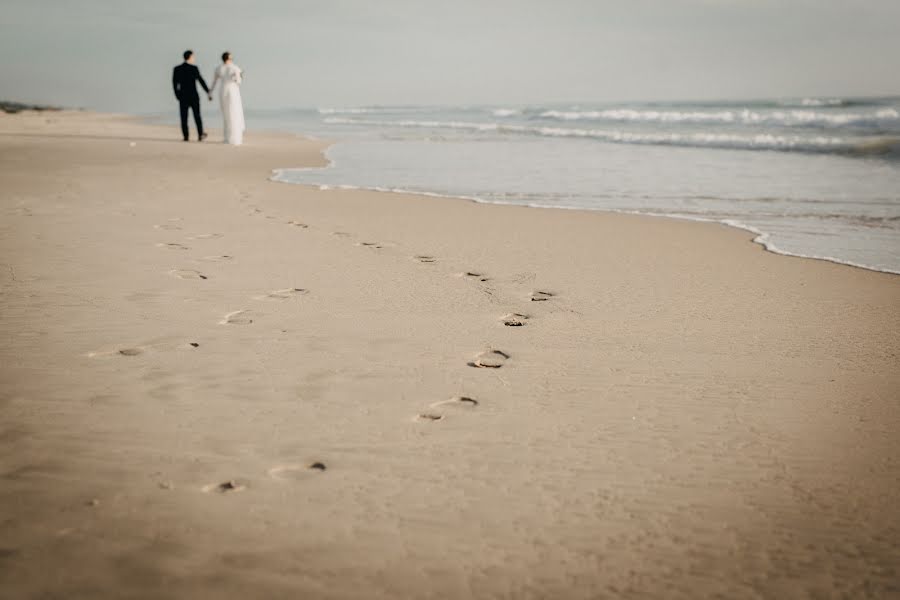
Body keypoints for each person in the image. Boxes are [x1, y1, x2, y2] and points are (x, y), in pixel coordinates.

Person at [172, 50, 211, 142]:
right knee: (197, 116)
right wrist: (208, 91)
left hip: (182, 96)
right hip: (193, 96)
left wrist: (177, 95)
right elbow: (201, 81)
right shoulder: (194, 68)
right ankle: (200, 134)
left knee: (184, 117)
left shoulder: (177, 69)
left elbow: (174, 84)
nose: (194, 58)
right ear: (190, 57)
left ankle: (186, 136)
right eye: (193, 57)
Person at [209, 52, 245, 145]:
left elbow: (214, 82)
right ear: (229, 59)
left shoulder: (219, 68)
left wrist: (210, 92)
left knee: (226, 114)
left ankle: (227, 137)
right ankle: (234, 137)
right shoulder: (234, 68)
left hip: (222, 90)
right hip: (232, 91)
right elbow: (238, 81)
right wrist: (240, 76)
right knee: (234, 112)